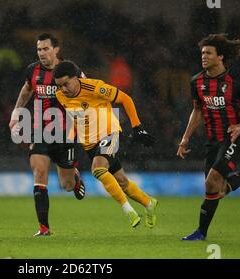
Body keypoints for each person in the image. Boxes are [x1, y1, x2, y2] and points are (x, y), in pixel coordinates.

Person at [177, 34, 240, 241]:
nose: (203, 56)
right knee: (216, 190)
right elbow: (197, 111)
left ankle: (201, 234)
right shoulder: (197, 82)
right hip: (212, 141)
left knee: (212, 181)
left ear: (220, 56)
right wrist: (185, 138)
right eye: (202, 53)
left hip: (233, 139)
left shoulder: (237, 82)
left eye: (208, 53)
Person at [53, 60, 158, 229]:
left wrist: (137, 127)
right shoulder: (60, 96)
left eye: (66, 84)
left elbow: (125, 98)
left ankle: (128, 211)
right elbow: (76, 118)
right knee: (122, 182)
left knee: (98, 168)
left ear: (76, 78)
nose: (63, 89)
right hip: (89, 144)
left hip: (110, 133)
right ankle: (148, 203)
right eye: (59, 86)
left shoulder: (94, 87)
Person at [8, 33, 86, 237]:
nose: (42, 53)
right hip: (40, 131)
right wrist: (16, 113)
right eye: (39, 49)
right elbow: (26, 90)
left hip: (66, 134)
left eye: (45, 49)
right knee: (39, 173)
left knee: (66, 186)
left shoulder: (70, 69)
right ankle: (44, 228)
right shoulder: (32, 70)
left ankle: (75, 178)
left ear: (56, 49)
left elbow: (86, 90)